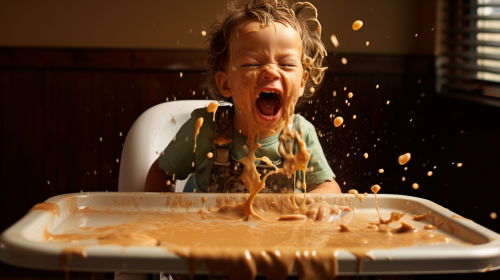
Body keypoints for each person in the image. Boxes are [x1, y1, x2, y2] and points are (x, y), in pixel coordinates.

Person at [145, 0, 341, 202]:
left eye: (286, 64)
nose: (271, 71)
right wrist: (166, 214)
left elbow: (329, 187)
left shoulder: (300, 135)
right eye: (251, 63)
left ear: (302, 83)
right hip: (213, 232)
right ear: (225, 83)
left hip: (282, 234)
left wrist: (316, 202)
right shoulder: (203, 129)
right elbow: (160, 174)